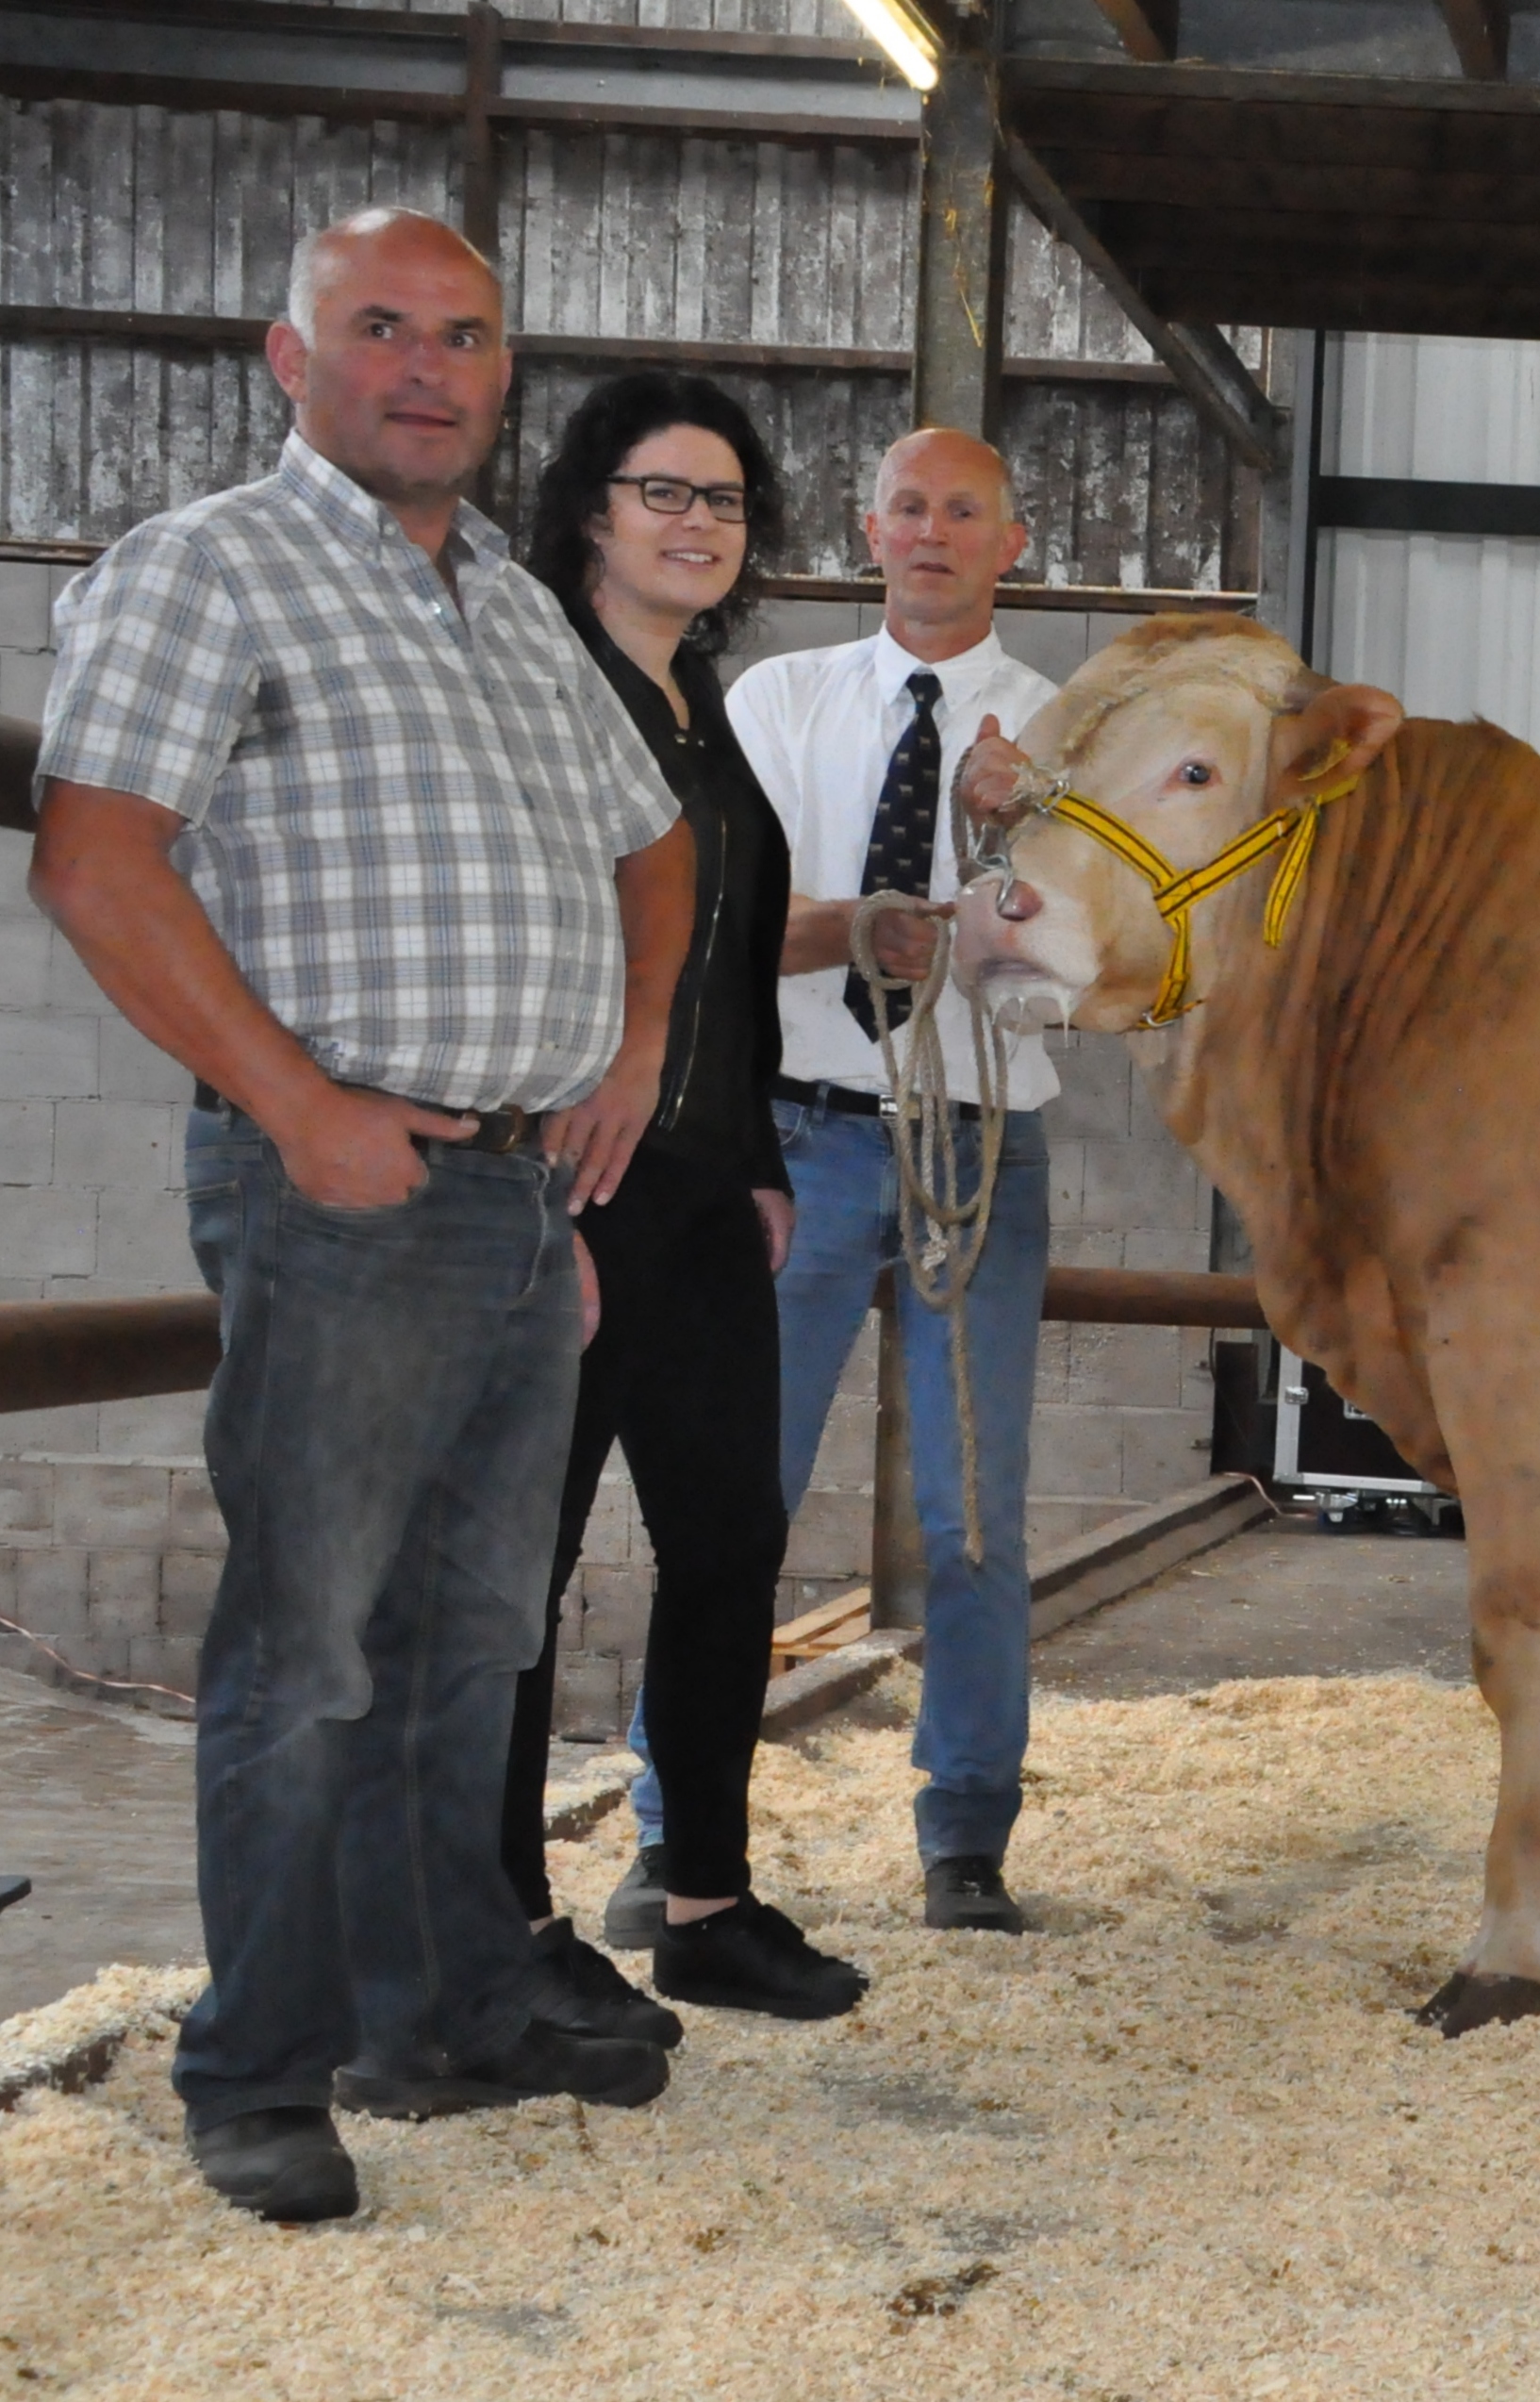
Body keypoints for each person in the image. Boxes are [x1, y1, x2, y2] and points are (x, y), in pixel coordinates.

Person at [28, 207, 692, 2223]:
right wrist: (294, 1102)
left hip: (507, 1188)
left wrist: (635, 1044)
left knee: (474, 1633)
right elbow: (92, 858)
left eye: (464, 335)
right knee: (309, 1648)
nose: (427, 366)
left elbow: (654, 842)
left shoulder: (498, 591)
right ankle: (257, 2061)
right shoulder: (208, 564)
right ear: (287, 354)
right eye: (380, 327)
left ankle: (441, 2007)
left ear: (503, 376)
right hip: (343, 1182)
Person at [603, 426, 1061, 1942]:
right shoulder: (771, 704)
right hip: (795, 1133)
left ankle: (967, 1841)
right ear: (872, 531)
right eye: (910, 506)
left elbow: (1072, 984)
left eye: (965, 513)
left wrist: (1006, 852)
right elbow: (718, 918)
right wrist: (866, 923)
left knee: (972, 1511)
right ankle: (675, 1837)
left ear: (1012, 542)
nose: (933, 533)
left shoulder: (1064, 740)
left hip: (973, 1141)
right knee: (731, 1494)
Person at [505, 372, 866, 2031]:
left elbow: (719, 968)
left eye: (721, 501)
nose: (697, 524)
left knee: (731, 1536)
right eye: (665, 493)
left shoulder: (693, 705)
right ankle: (502, 1919)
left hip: (709, 1191)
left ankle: (704, 1897)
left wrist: (765, 1156)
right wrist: (536, 1198)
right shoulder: (533, 681)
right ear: (591, 509)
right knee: (530, 1556)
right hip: (569, 1187)